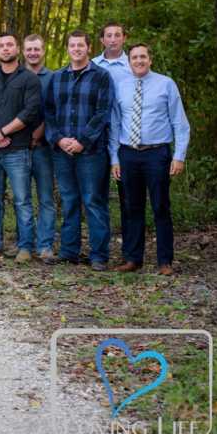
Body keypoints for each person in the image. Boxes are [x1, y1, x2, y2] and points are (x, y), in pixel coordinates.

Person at [110, 43, 190, 276]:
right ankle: (133, 259)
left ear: (150, 59)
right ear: (129, 61)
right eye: (134, 57)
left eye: (143, 56)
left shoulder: (166, 84)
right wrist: (114, 158)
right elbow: (115, 124)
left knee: (160, 206)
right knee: (131, 207)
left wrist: (179, 156)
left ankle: (165, 261)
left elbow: (180, 123)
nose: (139, 61)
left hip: (157, 153)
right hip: (128, 153)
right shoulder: (120, 87)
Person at [43, 30, 114, 271]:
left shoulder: (101, 76)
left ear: (88, 47)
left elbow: (103, 112)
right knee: (69, 200)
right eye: (72, 45)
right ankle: (69, 251)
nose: (76, 49)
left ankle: (99, 255)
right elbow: (49, 113)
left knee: (93, 201)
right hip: (62, 152)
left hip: (91, 152)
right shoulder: (57, 77)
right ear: (67, 48)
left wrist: (82, 140)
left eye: (80, 45)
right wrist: (59, 139)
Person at [0, 33, 40, 262]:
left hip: (18, 149)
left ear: (17, 49)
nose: (6, 49)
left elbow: (30, 111)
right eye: (2, 45)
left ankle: (25, 246)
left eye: (10, 45)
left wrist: (3, 132)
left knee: (22, 199)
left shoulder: (29, 78)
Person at [92, 21, 133, 265]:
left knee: (128, 197)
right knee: (97, 196)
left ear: (124, 38)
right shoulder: (94, 65)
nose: (113, 39)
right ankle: (100, 251)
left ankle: (130, 253)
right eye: (109, 35)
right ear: (102, 40)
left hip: (124, 137)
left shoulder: (133, 64)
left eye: (118, 35)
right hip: (97, 137)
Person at [23, 34, 57, 261]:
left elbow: (55, 111)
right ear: (23, 51)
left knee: (45, 198)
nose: (33, 53)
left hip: (44, 148)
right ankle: (24, 244)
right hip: (17, 147)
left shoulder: (53, 78)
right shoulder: (15, 76)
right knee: (22, 198)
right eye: (29, 49)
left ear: (43, 51)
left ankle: (45, 245)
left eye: (37, 49)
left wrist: (38, 134)